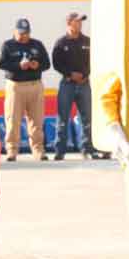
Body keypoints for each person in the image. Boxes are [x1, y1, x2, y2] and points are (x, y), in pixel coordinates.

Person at [0, 18, 50, 161]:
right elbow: (1, 64)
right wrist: (19, 66)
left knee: (36, 120)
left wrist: (36, 65)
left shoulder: (37, 45)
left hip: (35, 85)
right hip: (16, 86)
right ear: (15, 31)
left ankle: (38, 150)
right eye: (20, 33)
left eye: (26, 33)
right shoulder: (7, 45)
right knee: (13, 119)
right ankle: (12, 151)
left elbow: (47, 64)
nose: (23, 36)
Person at [52, 12, 102, 160]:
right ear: (69, 23)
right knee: (63, 118)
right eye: (77, 21)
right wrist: (69, 74)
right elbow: (56, 63)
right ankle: (60, 151)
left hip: (85, 84)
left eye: (81, 22)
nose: (80, 24)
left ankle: (88, 149)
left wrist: (85, 75)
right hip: (67, 84)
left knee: (87, 118)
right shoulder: (61, 43)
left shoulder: (87, 41)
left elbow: (94, 60)